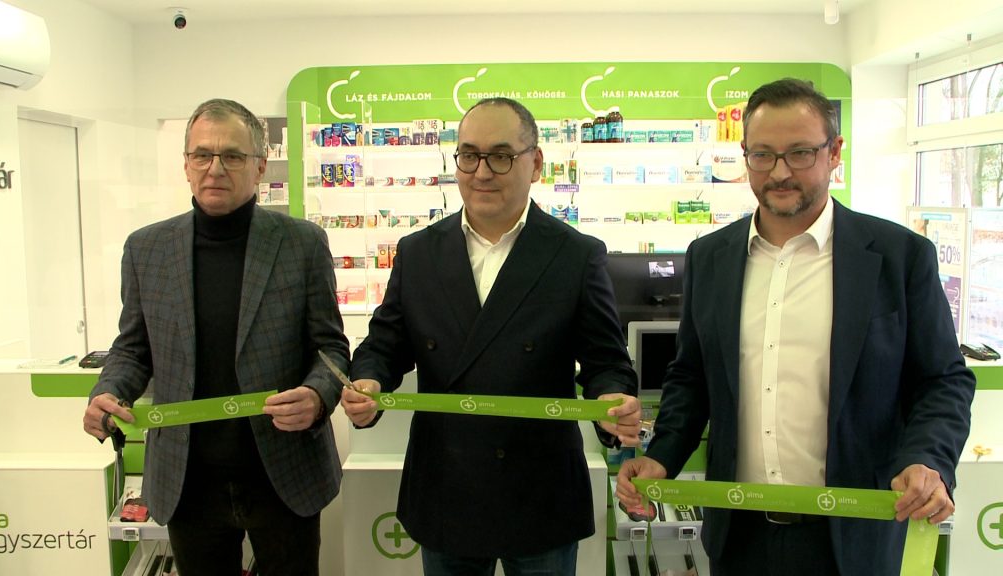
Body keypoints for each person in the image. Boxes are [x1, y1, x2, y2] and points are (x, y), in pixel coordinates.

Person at [616, 78, 976, 576]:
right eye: (763, 155)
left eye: (800, 153)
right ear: (745, 157)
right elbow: (692, 376)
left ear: (834, 152)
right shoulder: (710, 256)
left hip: (854, 536)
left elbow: (943, 379)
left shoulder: (899, 257)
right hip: (740, 535)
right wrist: (663, 457)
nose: (780, 172)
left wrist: (927, 458)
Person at [341, 97, 641, 576]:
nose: (482, 172)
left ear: (535, 163)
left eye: (501, 156)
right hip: (447, 486)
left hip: (539, 490)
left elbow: (607, 361)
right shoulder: (419, 252)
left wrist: (611, 399)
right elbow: (385, 345)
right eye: (469, 155)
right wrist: (369, 382)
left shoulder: (575, 255)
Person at [82, 98, 349, 576]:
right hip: (188, 478)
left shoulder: (302, 243)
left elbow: (330, 348)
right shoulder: (146, 248)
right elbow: (133, 348)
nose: (215, 168)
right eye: (202, 155)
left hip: (282, 471)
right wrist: (109, 389)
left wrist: (316, 395)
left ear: (260, 166)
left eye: (232, 156)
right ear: (186, 164)